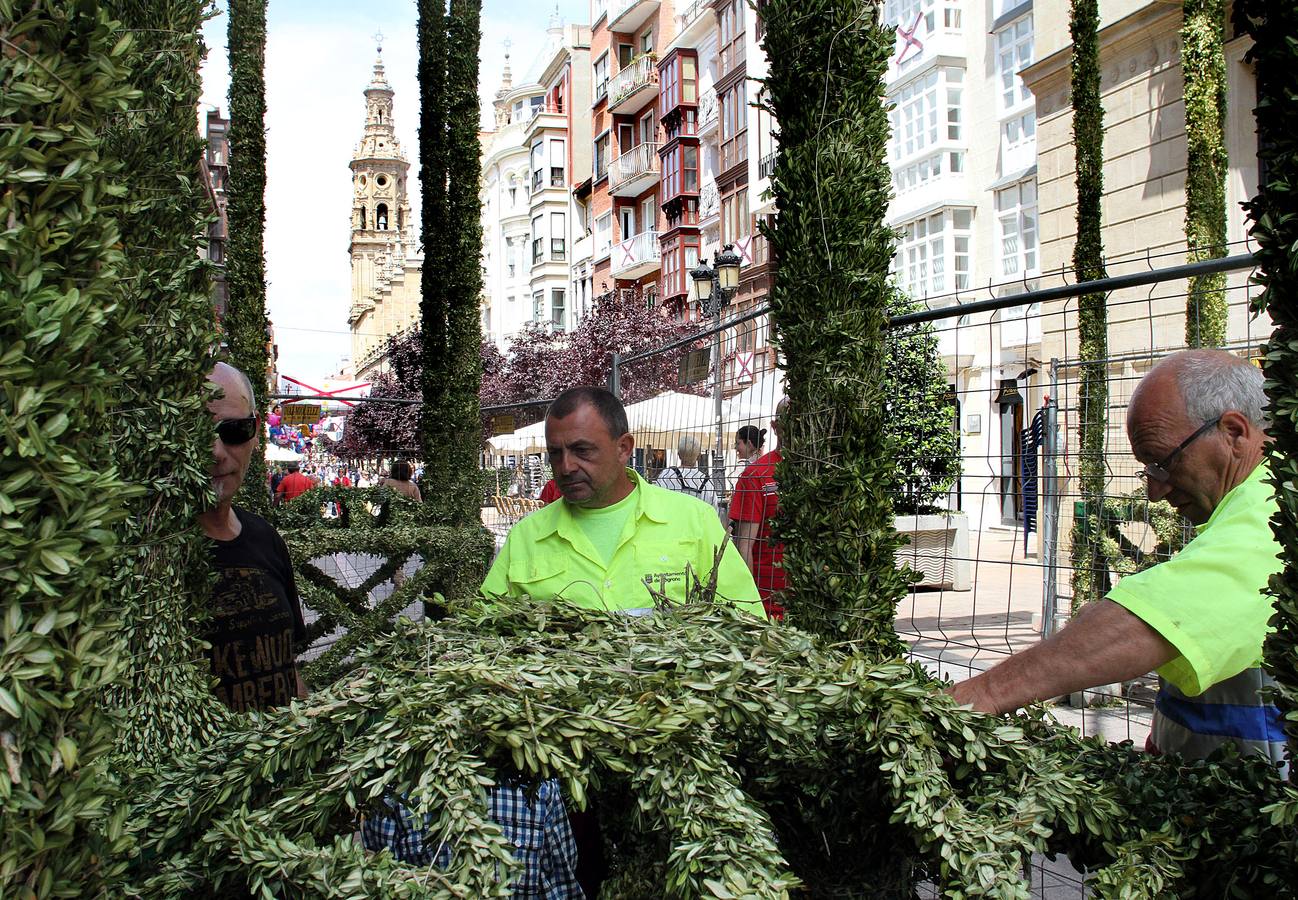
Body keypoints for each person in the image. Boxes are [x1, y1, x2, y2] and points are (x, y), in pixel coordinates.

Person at [951, 350, 1286, 765]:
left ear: (1234, 432)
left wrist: (973, 700)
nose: (1155, 492)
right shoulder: (1245, 504)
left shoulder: (1277, 513)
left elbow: (1158, 619)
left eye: (1163, 463)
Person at [482, 386, 763, 615]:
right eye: (555, 453)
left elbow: (744, 622)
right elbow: (484, 634)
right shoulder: (526, 538)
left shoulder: (695, 521)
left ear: (624, 448)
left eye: (582, 450)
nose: (566, 467)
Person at [199, 362, 307, 712]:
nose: (216, 451)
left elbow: (286, 665)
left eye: (235, 430)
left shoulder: (266, 538)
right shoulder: (150, 553)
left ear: (256, 432)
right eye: (196, 431)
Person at [728, 400, 788, 620]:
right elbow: (744, 546)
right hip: (768, 602)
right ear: (775, 426)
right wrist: (750, 605)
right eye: (788, 419)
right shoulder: (755, 475)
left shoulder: (819, 470)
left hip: (811, 600)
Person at [654, 435, 718, 510]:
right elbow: (714, 510)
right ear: (698, 456)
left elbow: (656, 501)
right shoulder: (706, 481)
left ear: (678, 455)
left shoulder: (666, 475)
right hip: (697, 521)